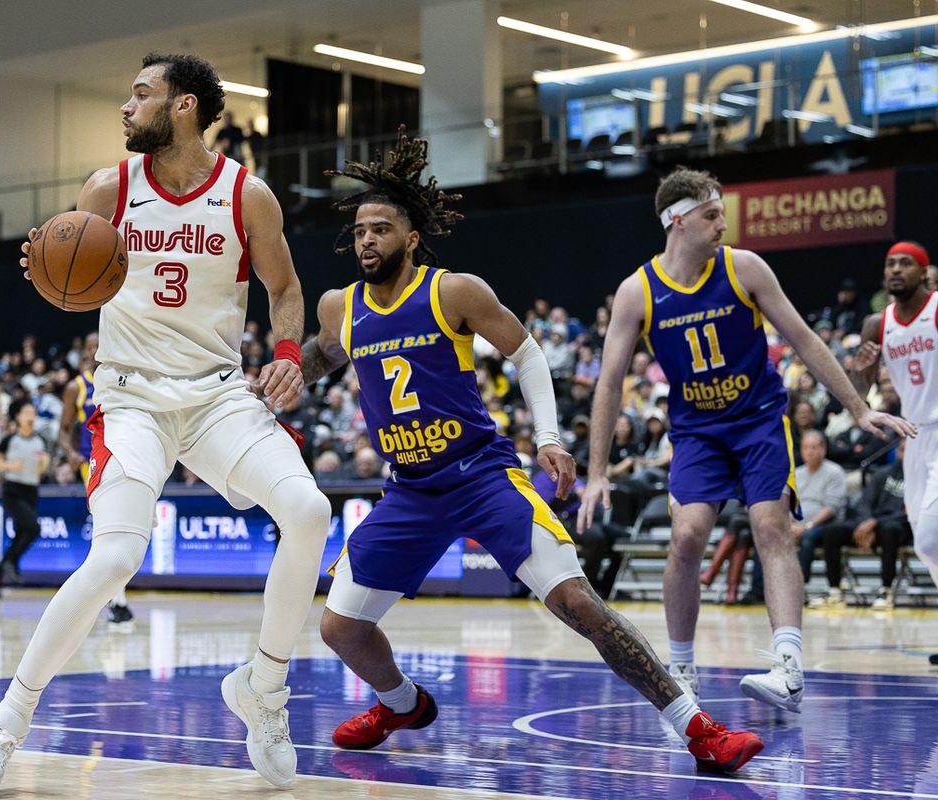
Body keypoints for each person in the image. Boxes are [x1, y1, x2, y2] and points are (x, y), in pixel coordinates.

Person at [300, 130, 763, 773]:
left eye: (381, 229)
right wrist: (280, 376)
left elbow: (526, 352)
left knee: (578, 604)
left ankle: (697, 727)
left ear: (411, 238)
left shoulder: (452, 291)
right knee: (339, 628)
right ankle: (402, 703)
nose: (367, 241)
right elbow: (323, 354)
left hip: (480, 477)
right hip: (410, 490)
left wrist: (548, 437)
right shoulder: (340, 306)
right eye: (359, 232)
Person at [0, 53, 330, 796]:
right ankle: (8, 719)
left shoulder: (246, 195)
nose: (126, 107)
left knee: (310, 511)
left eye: (140, 94)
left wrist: (287, 353)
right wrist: (50, 270)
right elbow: (75, 273)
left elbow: (286, 289)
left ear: (184, 106)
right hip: (130, 399)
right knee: (116, 556)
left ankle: (263, 689)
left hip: (217, 395)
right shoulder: (109, 188)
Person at [578, 166, 914, 713]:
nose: (723, 224)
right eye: (712, 215)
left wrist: (858, 408)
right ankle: (681, 670)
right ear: (678, 221)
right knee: (686, 536)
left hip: (758, 420)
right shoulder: (637, 292)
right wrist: (596, 471)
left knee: (770, 526)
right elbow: (610, 382)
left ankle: (789, 667)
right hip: (697, 432)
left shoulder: (745, 268)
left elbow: (803, 339)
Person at [850, 241, 938, 607]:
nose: (896, 270)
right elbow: (858, 395)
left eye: (906, 263)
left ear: (924, 273)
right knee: (924, 543)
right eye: (890, 264)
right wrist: (859, 369)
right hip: (914, 436)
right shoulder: (877, 324)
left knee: (930, 539)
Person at [56, 331, 132, 625]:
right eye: (90, 346)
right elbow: (63, 430)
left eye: (99, 344)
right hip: (93, 462)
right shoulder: (75, 387)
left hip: (125, 455)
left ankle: (114, 599)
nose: (94, 350)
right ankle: (117, 602)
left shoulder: (124, 378)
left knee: (121, 530)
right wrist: (70, 453)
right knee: (108, 530)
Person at [810, 441, 909, 609]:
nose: (905, 454)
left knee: (890, 530)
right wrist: (866, 523)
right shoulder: (882, 474)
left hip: (898, 527)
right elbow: (864, 503)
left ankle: (885, 591)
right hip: (869, 525)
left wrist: (874, 523)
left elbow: (910, 513)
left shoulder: (923, 479)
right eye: (902, 450)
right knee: (832, 531)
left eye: (909, 451)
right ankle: (834, 591)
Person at [0, 400, 50, 598]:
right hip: (13, 490)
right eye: (27, 412)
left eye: (33, 413)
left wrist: (44, 465)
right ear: (18, 417)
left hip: (31, 490)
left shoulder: (40, 441)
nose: (31, 416)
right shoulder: (10, 439)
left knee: (22, 534)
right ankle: (10, 563)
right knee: (33, 528)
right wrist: (10, 466)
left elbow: (40, 469)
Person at [787, 430, 847, 593]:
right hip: (796, 525)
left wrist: (807, 526)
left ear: (823, 449)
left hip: (825, 525)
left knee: (808, 536)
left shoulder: (835, 472)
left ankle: (799, 586)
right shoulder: (796, 473)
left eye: (813, 447)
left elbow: (832, 507)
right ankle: (760, 589)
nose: (809, 452)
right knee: (771, 535)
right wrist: (790, 524)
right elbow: (787, 503)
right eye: (805, 447)